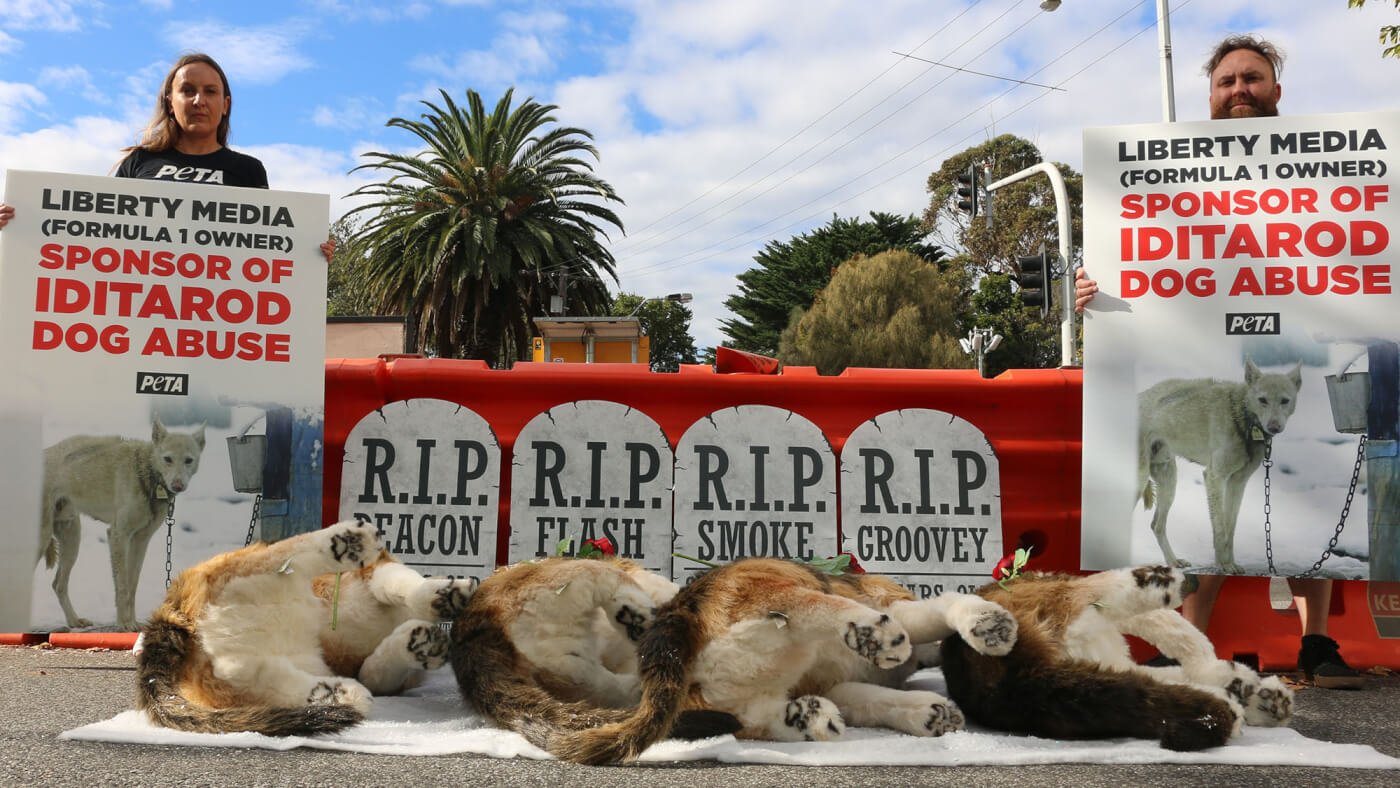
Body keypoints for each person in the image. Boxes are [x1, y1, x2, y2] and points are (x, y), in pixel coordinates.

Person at [1075, 35, 1363, 689]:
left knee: (1306, 485)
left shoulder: (1326, 165)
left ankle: (1316, 645)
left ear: (1275, 90)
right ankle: (1189, 647)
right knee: (1213, 488)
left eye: (1252, 78)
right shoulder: (1174, 173)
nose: (1240, 89)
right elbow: (1148, 265)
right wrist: (1097, 291)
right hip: (1211, 350)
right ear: (1211, 94)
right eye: (1227, 81)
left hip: (1289, 342)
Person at [1, 53, 333, 259]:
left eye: (210, 91)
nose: (198, 100)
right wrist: (24, 224)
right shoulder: (139, 163)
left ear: (225, 105)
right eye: (187, 90)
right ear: (169, 102)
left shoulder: (248, 171)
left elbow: (271, 250)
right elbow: (98, 238)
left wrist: (312, 255)